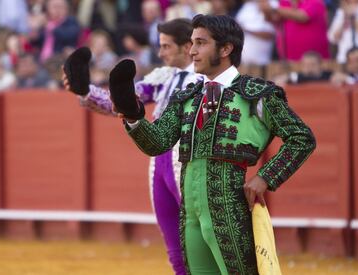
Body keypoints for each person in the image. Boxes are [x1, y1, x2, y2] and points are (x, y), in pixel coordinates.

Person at [116, 14, 316, 274]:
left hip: (229, 208)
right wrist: (132, 115)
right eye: (191, 43)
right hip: (190, 212)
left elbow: (302, 138)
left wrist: (265, 178)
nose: (192, 51)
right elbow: (157, 142)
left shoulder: (254, 94)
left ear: (225, 48)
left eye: (200, 43)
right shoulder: (187, 96)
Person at [64, 18, 202, 275]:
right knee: (175, 247)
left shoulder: (206, 79)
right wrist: (85, 90)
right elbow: (122, 101)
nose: (160, 53)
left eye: (166, 47)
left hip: (190, 161)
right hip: (159, 162)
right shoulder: (163, 77)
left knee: (200, 240)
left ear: (187, 46)